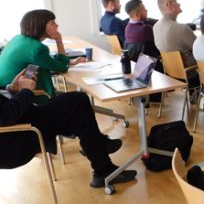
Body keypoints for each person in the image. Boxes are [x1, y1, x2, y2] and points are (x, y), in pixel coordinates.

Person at [0, 69, 136, 188]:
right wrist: (26, 91)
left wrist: (11, 87)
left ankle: (101, 159)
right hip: (17, 140)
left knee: (77, 111)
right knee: (78, 101)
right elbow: (5, 117)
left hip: (26, 121)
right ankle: (101, 155)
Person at [153, 0, 204, 114]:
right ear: (169, 5)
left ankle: (199, 93)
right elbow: (202, 48)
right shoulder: (181, 28)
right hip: (189, 70)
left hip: (171, 70)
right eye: (176, 2)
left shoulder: (156, 26)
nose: (179, 4)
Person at [0, 10, 85, 103]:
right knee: (81, 98)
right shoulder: (37, 49)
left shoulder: (18, 39)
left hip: (6, 93)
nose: (57, 25)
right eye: (53, 23)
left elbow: (42, 61)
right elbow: (63, 68)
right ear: (41, 25)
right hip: (27, 99)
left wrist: (70, 62)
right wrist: (58, 39)